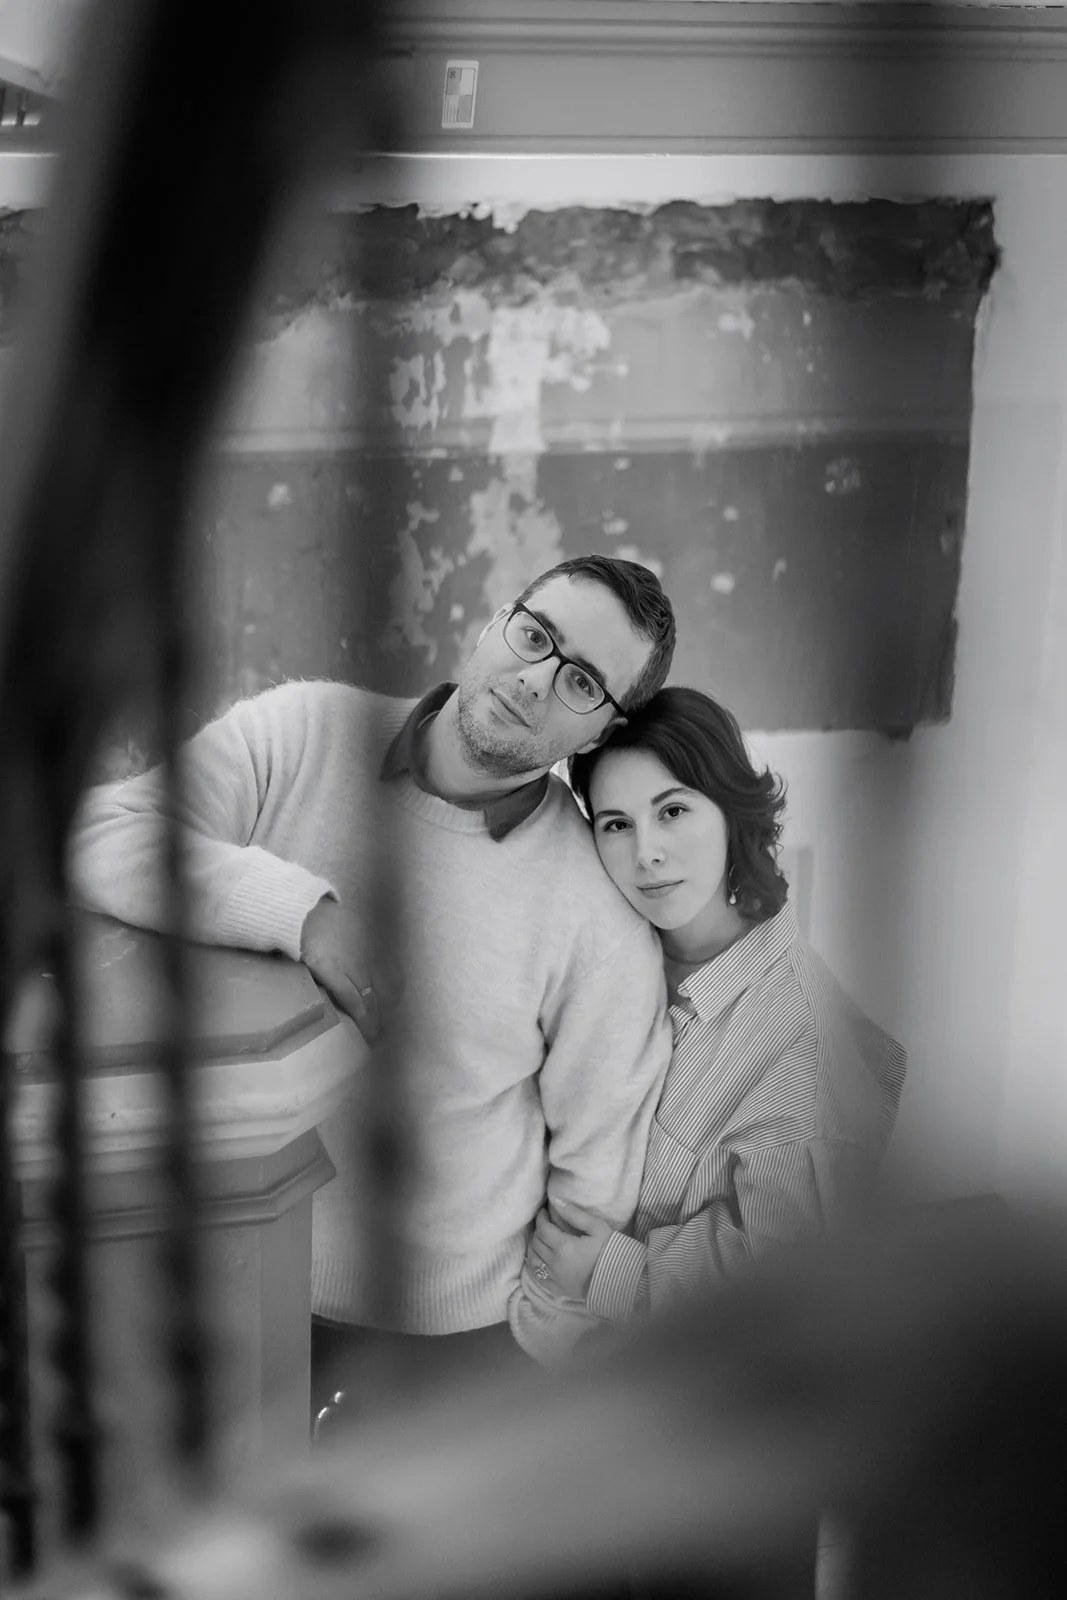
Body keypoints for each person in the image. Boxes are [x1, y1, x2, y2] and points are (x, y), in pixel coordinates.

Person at [69, 555, 677, 1391]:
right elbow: (101, 833)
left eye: (582, 683)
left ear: (601, 732)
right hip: (222, 1288)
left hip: (438, 1346)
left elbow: (595, 1181)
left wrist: (516, 1353)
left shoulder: (598, 915)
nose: (536, 680)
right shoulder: (302, 731)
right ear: (494, 620)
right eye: (534, 636)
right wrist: (304, 915)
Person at [526, 685, 907, 1328]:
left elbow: (786, 1278)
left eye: (672, 811)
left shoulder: (797, 1041)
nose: (645, 851)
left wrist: (614, 1275)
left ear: (730, 813)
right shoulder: (612, 949)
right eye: (616, 824)